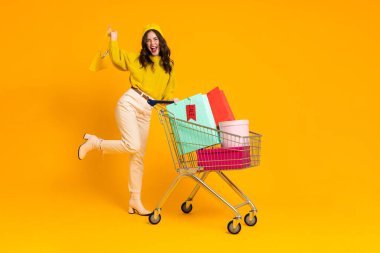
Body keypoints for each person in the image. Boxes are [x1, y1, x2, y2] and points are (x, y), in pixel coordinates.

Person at [78, 24, 176, 216]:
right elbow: (117, 57)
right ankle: (95, 143)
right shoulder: (138, 59)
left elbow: (166, 95)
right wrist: (113, 38)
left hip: (147, 110)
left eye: (155, 39)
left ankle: (134, 200)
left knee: (138, 157)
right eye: (148, 40)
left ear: (161, 41)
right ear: (145, 44)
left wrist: (174, 101)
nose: (152, 43)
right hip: (130, 103)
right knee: (132, 145)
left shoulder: (168, 66)